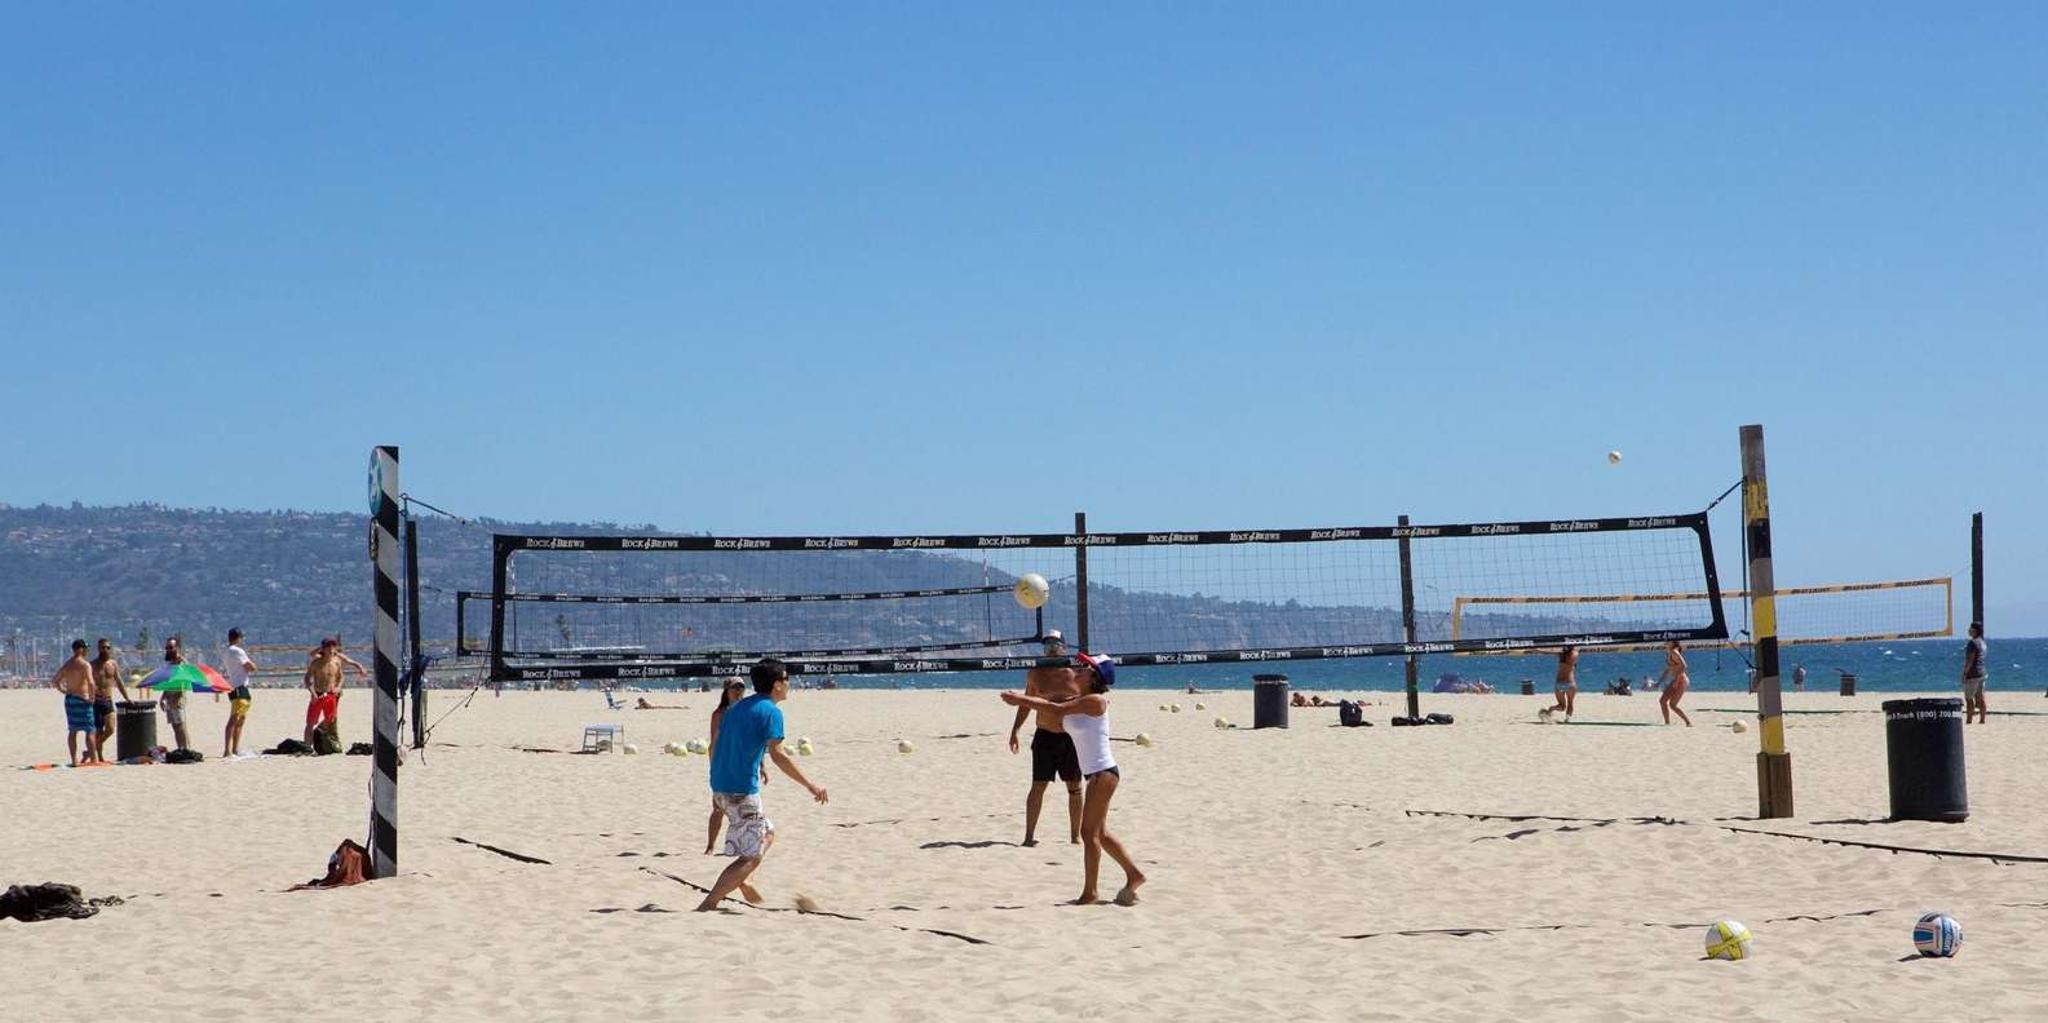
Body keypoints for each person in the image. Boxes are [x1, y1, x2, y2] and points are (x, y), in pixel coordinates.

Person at [1000, 652, 1145, 906]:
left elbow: (1055, 709)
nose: (1078, 669)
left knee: (1089, 834)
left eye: (1085, 667)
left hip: (1104, 774)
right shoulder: (1081, 699)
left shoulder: (1096, 701)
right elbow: (1052, 707)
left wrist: (1020, 698)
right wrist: (1023, 707)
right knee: (1100, 832)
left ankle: (1090, 893)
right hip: (1097, 776)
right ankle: (1134, 875)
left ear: (1094, 677)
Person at [696, 659, 828, 912]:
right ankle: (709, 903)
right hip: (741, 790)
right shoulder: (771, 711)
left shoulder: (737, 708)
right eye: (787, 680)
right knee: (752, 856)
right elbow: (778, 754)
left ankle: (744, 879)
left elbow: (720, 746)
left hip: (721, 785)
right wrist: (810, 785)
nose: (790, 685)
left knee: (767, 832)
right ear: (777, 685)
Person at [1007, 630, 1083, 847]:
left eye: (1055, 643)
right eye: (1047, 643)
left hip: (1071, 737)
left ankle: (1075, 837)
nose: (1051, 647)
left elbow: (1092, 700)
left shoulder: (1077, 671)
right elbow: (1026, 703)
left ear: (1064, 647)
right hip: (1045, 736)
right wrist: (1015, 731)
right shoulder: (1035, 673)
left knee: (1075, 787)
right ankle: (1029, 837)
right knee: (1038, 786)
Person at [703, 677, 766, 854]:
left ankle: (742, 846)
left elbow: (753, 742)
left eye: (741, 687)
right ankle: (710, 846)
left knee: (744, 809)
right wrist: (714, 767)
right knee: (718, 809)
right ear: (726, 690)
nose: (738, 691)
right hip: (722, 765)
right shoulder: (719, 714)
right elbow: (714, 743)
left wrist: (762, 765)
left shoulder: (747, 712)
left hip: (744, 765)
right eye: (734, 688)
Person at [303, 638, 365, 745]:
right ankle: (307, 745)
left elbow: (342, 675)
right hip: (318, 694)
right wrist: (312, 692)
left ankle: (326, 741)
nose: (331, 649)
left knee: (330, 720)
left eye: (333, 646)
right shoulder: (316, 662)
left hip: (331, 694)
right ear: (324, 649)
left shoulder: (337, 660)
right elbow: (307, 678)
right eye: (328, 647)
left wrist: (339, 687)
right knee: (310, 722)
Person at [51, 640, 101, 765]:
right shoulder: (85, 665)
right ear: (80, 649)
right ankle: (94, 759)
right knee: (90, 730)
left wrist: (64, 691)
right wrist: (92, 698)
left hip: (70, 699)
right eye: (85, 648)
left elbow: (55, 681)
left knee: (73, 730)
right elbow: (90, 682)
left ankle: (74, 760)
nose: (87, 651)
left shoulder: (68, 664)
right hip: (83, 699)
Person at [220, 628, 257, 757]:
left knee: (241, 719)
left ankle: (235, 749)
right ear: (238, 638)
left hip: (236, 686)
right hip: (239, 687)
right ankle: (227, 749)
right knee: (235, 718)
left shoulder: (226, 652)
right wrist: (252, 665)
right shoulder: (237, 651)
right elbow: (250, 667)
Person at [90, 638, 128, 758]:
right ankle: (99, 756)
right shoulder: (92, 665)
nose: (105, 649)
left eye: (107, 647)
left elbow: (119, 681)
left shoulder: (113, 664)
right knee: (98, 730)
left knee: (111, 729)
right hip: (95, 700)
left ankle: (93, 747)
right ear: (98, 649)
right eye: (102, 647)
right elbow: (87, 682)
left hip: (108, 700)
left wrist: (127, 697)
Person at [160, 637, 194, 751]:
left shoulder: (181, 662)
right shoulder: (169, 664)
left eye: (171, 647)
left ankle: (186, 749)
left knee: (181, 725)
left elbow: (186, 678)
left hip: (178, 696)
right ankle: (180, 748)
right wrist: (163, 697)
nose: (168, 650)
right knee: (175, 725)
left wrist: (180, 695)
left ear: (176, 648)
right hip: (169, 696)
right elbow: (168, 682)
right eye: (167, 647)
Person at [1657, 640, 1692, 726]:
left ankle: (1688, 722)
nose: (1666, 643)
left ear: (1673, 643)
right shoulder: (1669, 653)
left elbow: (1684, 666)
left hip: (1681, 680)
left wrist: (1677, 681)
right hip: (1678, 679)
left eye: (1669, 642)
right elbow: (1668, 669)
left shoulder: (1674, 652)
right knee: (1663, 701)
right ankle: (1667, 723)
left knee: (1672, 704)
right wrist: (1659, 682)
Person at [1961, 623, 1988, 724]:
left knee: (1969, 698)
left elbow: (1970, 660)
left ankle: (1969, 720)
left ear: (1975, 631)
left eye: (1971, 629)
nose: (1969, 630)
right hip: (1982, 673)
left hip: (1973, 674)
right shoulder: (1983, 642)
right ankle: (1982, 720)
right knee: (1981, 697)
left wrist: (1964, 673)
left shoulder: (1972, 643)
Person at [1542, 645, 1578, 720]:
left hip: (1559, 684)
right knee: (1570, 703)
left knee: (1562, 707)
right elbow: (1575, 652)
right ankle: (1567, 719)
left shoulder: (1561, 656)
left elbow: (1547, 652)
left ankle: (1552, 709)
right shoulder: (1574, 656)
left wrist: (1535, 650)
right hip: (1570, 683)